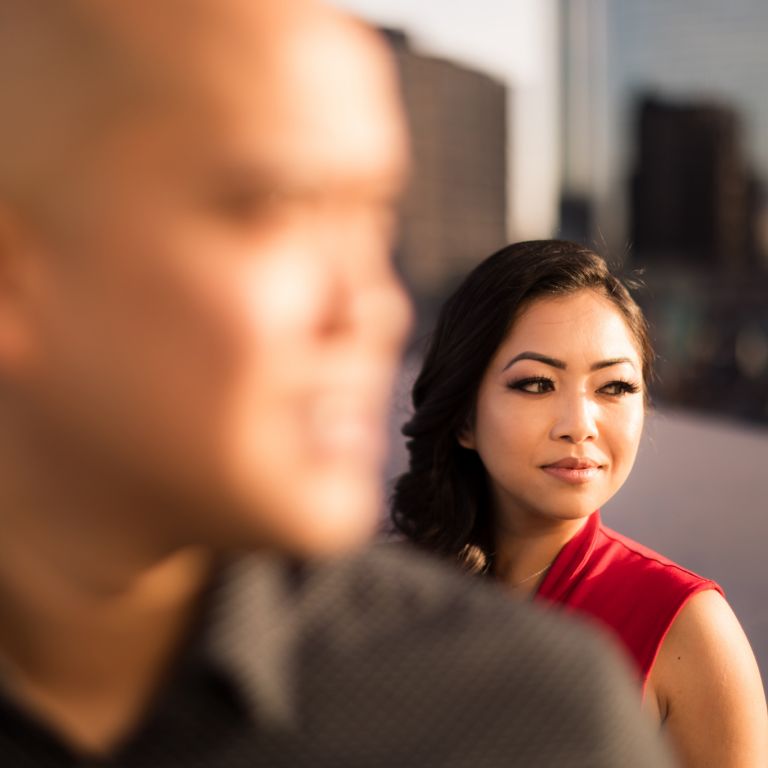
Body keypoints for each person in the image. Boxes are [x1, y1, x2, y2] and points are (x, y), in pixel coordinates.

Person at [0, 2, 675, 766]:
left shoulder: (529, 720)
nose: (374, 308)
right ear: (14, 272)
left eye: (374, 217)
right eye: (272, 209)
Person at [392, 239, 768, 767]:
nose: (579, 426)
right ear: (463, 418)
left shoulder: (687, 628)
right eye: (536, 384)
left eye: (614, 387)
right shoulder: (372, 605)